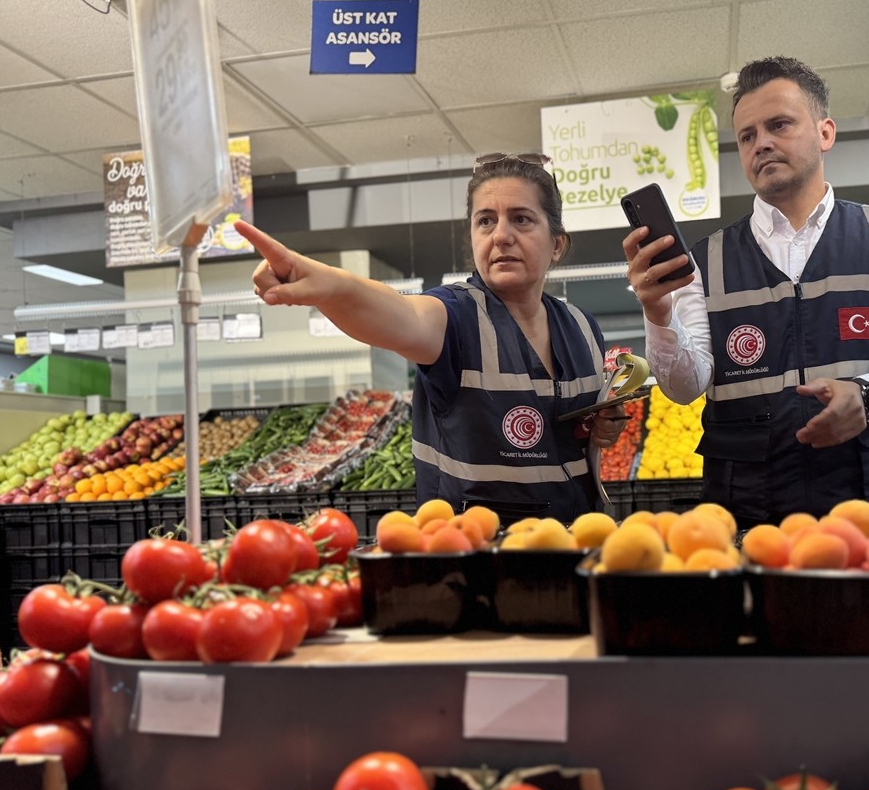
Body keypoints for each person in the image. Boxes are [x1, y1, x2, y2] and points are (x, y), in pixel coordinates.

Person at [622, 56, 869, 527]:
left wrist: (868, 394)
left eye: (779, 125)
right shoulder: (707, 260)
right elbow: (684, 386)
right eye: (747, 136)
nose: (762, 144)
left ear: (824, 133)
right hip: (748, 510)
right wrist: (658, 315)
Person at [234, 153, 625, 524]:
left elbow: (571, 428)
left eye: (521, 219)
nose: (501, 235)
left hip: (578, 544)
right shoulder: (455, 316)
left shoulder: (582, 327)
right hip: (475, 557)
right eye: (485, 221)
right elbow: (399, 314)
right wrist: (328, 285)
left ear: (556, 243)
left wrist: (599, 425)